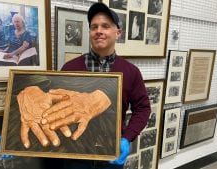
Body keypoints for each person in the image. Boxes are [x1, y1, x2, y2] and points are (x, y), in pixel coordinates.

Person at [57, 2, 151, 169]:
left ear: (118, 33)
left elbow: (143, 108)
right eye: (94, 27)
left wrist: (127, 138)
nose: (99, 31)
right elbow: (57, 107)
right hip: (75, 156)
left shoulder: (130, 72)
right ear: (89, 32)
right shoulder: (69, 68)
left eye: (105, 26)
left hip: (111, 156)